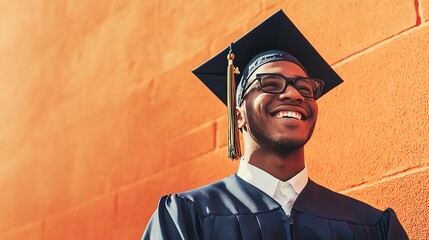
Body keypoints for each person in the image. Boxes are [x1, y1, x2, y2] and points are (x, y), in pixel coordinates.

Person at [142, 10, 408, 239]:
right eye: (270, 84)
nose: (294, 94)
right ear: (238, 116)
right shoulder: (189, 216)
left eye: (305, 88)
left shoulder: (370, 226)